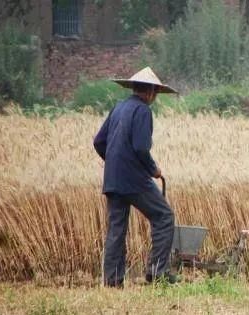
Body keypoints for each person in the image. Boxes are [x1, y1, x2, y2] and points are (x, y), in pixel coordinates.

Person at [93, 67, 178, 287]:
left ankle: (112, 281)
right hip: (134, 180)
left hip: (113, 179)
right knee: (164, 216)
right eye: (156, 93)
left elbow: (98, 142)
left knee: (116, 231)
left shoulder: (119, 108)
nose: (155, 97)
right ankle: (157, 272)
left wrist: (114, 161)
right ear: (150, 92)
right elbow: (141, 148)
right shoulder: (142, 111)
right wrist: (153, 170)